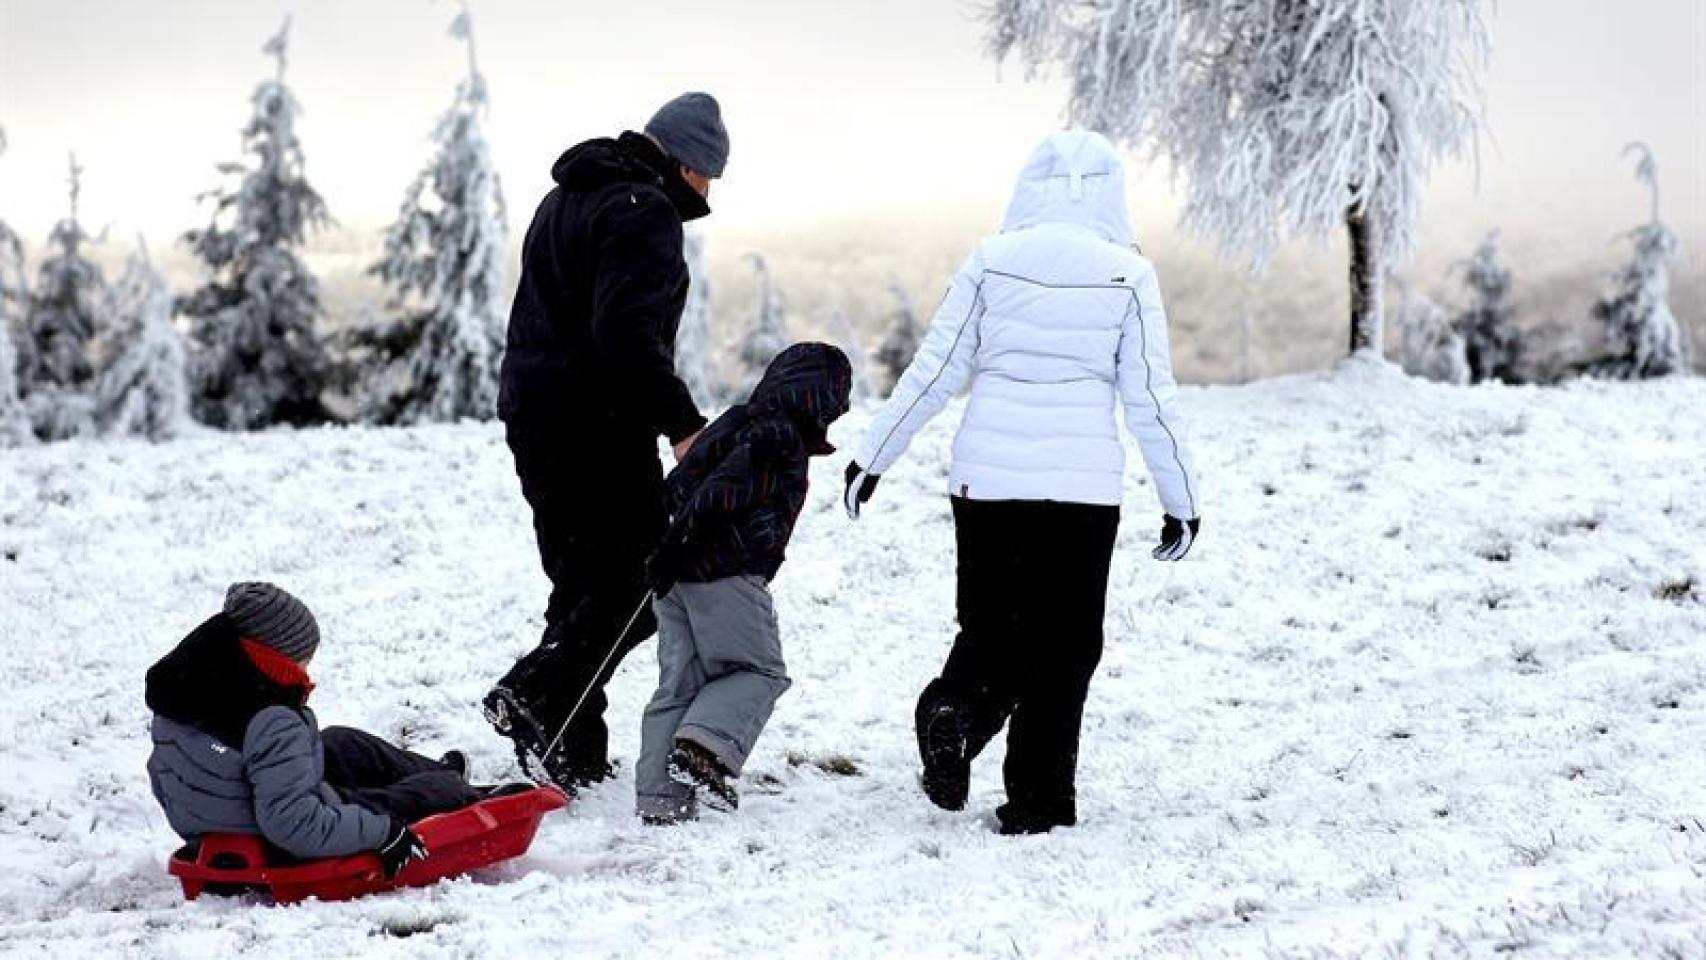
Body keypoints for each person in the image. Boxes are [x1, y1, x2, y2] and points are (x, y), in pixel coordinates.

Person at [842, 130, 1203, 835]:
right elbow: (1151, 400)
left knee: (991, 629)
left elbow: (937, 368)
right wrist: (1180, 501)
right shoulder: (1128, 275)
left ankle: (956, 715)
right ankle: (1039, 801)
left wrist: (873, 458)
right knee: (1066, 647)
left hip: (988, 482)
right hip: (1081, 491)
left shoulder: (991, 261)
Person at [485, 93, 730, 790]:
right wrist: (683, 423)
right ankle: (538, 691)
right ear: (685, 163)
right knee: (643, 578)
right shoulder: (643, 211)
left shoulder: (566, 198)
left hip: (534, 414)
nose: (708, 192)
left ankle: (571, 748)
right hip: (597, 426)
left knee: (581, 582)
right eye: (708, 175)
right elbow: (625, 338)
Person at [636, 343, 852, 823]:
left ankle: (661, 800)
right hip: (724, 571)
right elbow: (721, 491)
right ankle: (705, 750)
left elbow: (679, 486)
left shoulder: (735, 422)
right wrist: (685, 540)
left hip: (676, 576)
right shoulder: (778, 436)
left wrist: (668, 547)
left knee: (679, 685)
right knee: (760, 671)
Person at [145, 583, 489, 877]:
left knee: (342, 743)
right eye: (304, 658)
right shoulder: (270, 717)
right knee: (433, 793)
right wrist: (381, 833)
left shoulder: (183, 691)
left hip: (225, 818)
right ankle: (453, 789)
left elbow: (163, 778)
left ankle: (437, 773)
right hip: (283, 841)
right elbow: (295, 823)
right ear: (277, 656)